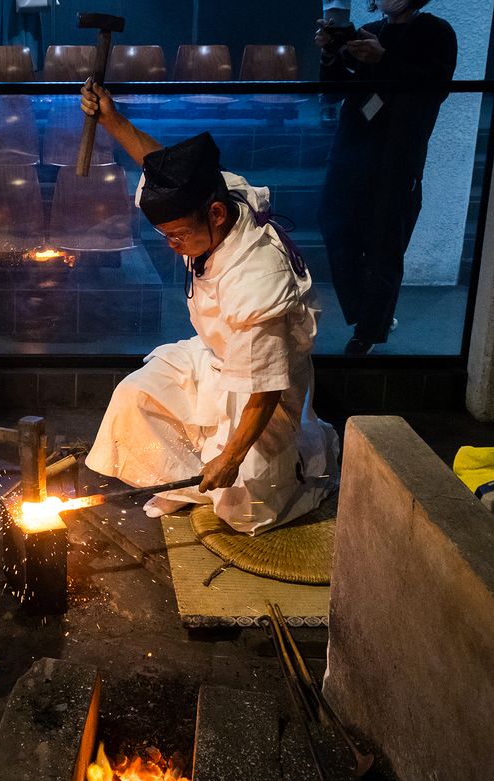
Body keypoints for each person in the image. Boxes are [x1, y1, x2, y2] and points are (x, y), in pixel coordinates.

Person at [78, 81, 339, 534]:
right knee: (132, 398)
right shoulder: (215, 194)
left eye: (177, 235)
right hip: (213, 357)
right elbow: (163, 167)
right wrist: (112, 120)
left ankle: (280, 465)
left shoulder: (258, 279)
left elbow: (266, 389)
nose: (172, 245)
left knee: (244, 509)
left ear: (216, 215)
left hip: (264, 388)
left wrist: (234, 456)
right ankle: (196, 478)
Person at [315, 0, 457, 354]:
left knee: (384, 244)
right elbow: (335, 91)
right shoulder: (372, 32)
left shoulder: (436, 32)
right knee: (335, 228)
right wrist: (331, 54)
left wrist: (383, 59)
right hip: (351, 149)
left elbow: (434, 88)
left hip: (397, 155)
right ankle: (370, 313)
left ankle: (368, 330)